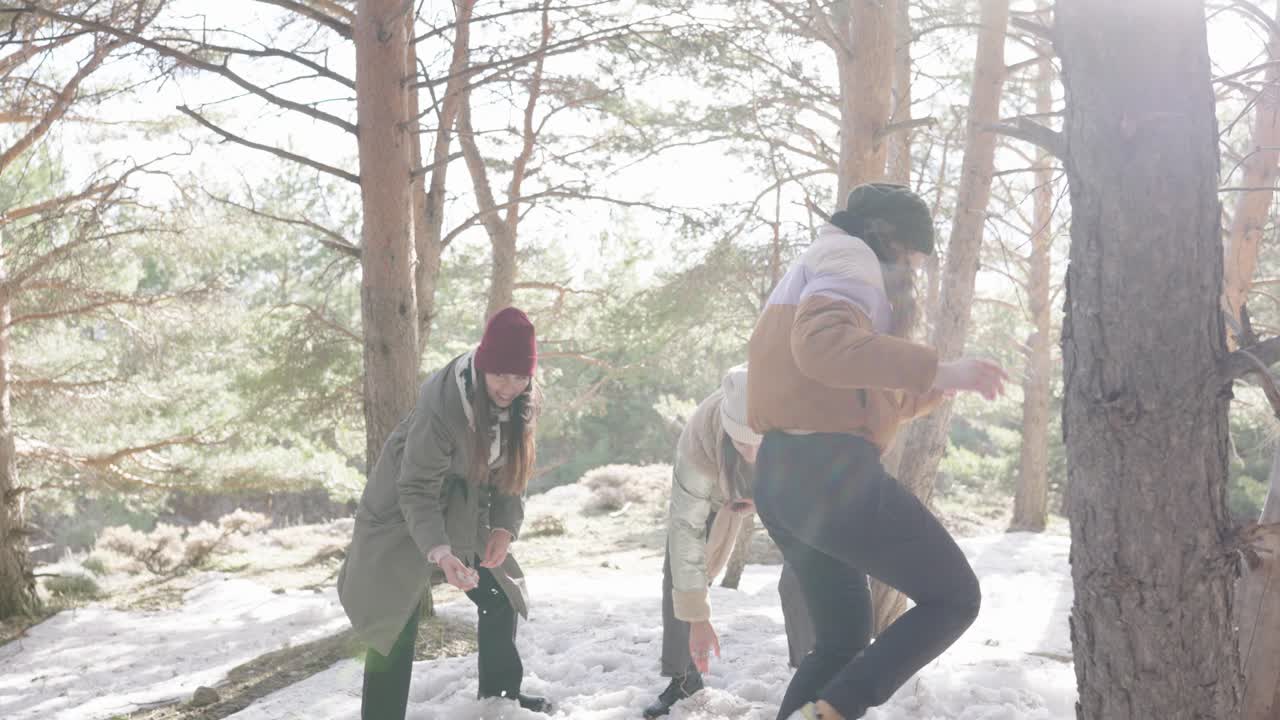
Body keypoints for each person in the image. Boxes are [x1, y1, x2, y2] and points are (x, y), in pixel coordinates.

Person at [746, 183, 1008, 720]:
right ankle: (837, 709)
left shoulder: (821, 261)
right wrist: (939, 368)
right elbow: (823, 348)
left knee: (842, 639)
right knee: (954, 597)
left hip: (782, 475)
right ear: (888, 238)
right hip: (829, 475)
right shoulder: (849, 256)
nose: (911, 267)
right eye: (912, 254)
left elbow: (852, 391)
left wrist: (938, 386)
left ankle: (826, 707)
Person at [337, 307, 552, 719]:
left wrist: (504, 529)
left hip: (464, 507)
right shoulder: (442, 406)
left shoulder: (524, 403)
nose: (510, 386)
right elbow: (416, 488)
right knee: (393, 619)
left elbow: (513, 474)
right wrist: (441, 552)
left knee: (498, 595)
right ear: (483, 366)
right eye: (501, 375)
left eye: (520, 376)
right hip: (401, 510)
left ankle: (499, 696)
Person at [644, 365, 815, 718]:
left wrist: (771, 500)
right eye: (741, 442)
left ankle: (816, 676)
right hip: (719, 498)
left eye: (759, 442)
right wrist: (698, 618)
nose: (751, 453)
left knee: (805, 576)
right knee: (679, 573)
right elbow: (686, 531)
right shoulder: (699, 441)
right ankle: (684, 678)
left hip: (795, 493)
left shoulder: (805, 421)